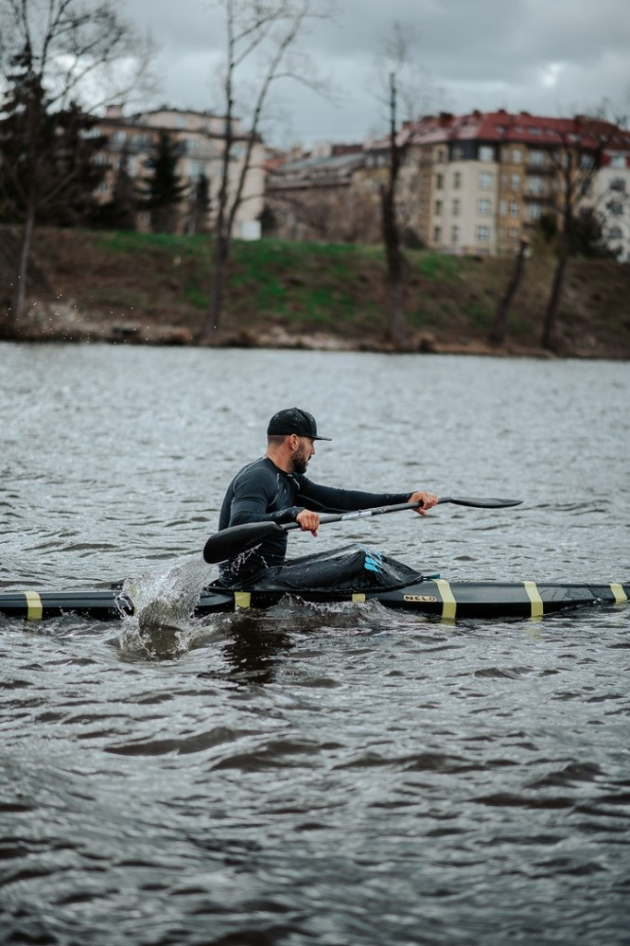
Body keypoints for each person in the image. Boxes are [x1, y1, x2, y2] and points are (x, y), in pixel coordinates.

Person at [216, 407, 438, 585]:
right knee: (361, 560)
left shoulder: (290, 479)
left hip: (269, 574)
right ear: (294, 441)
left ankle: (415, 585)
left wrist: (406, 499)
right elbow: (240, 522)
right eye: (311, 443)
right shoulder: (257, 477)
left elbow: (341, 500)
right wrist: (294, 513)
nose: (313, 451)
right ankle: (411, 593)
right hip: (245, 582)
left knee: (358, 554)